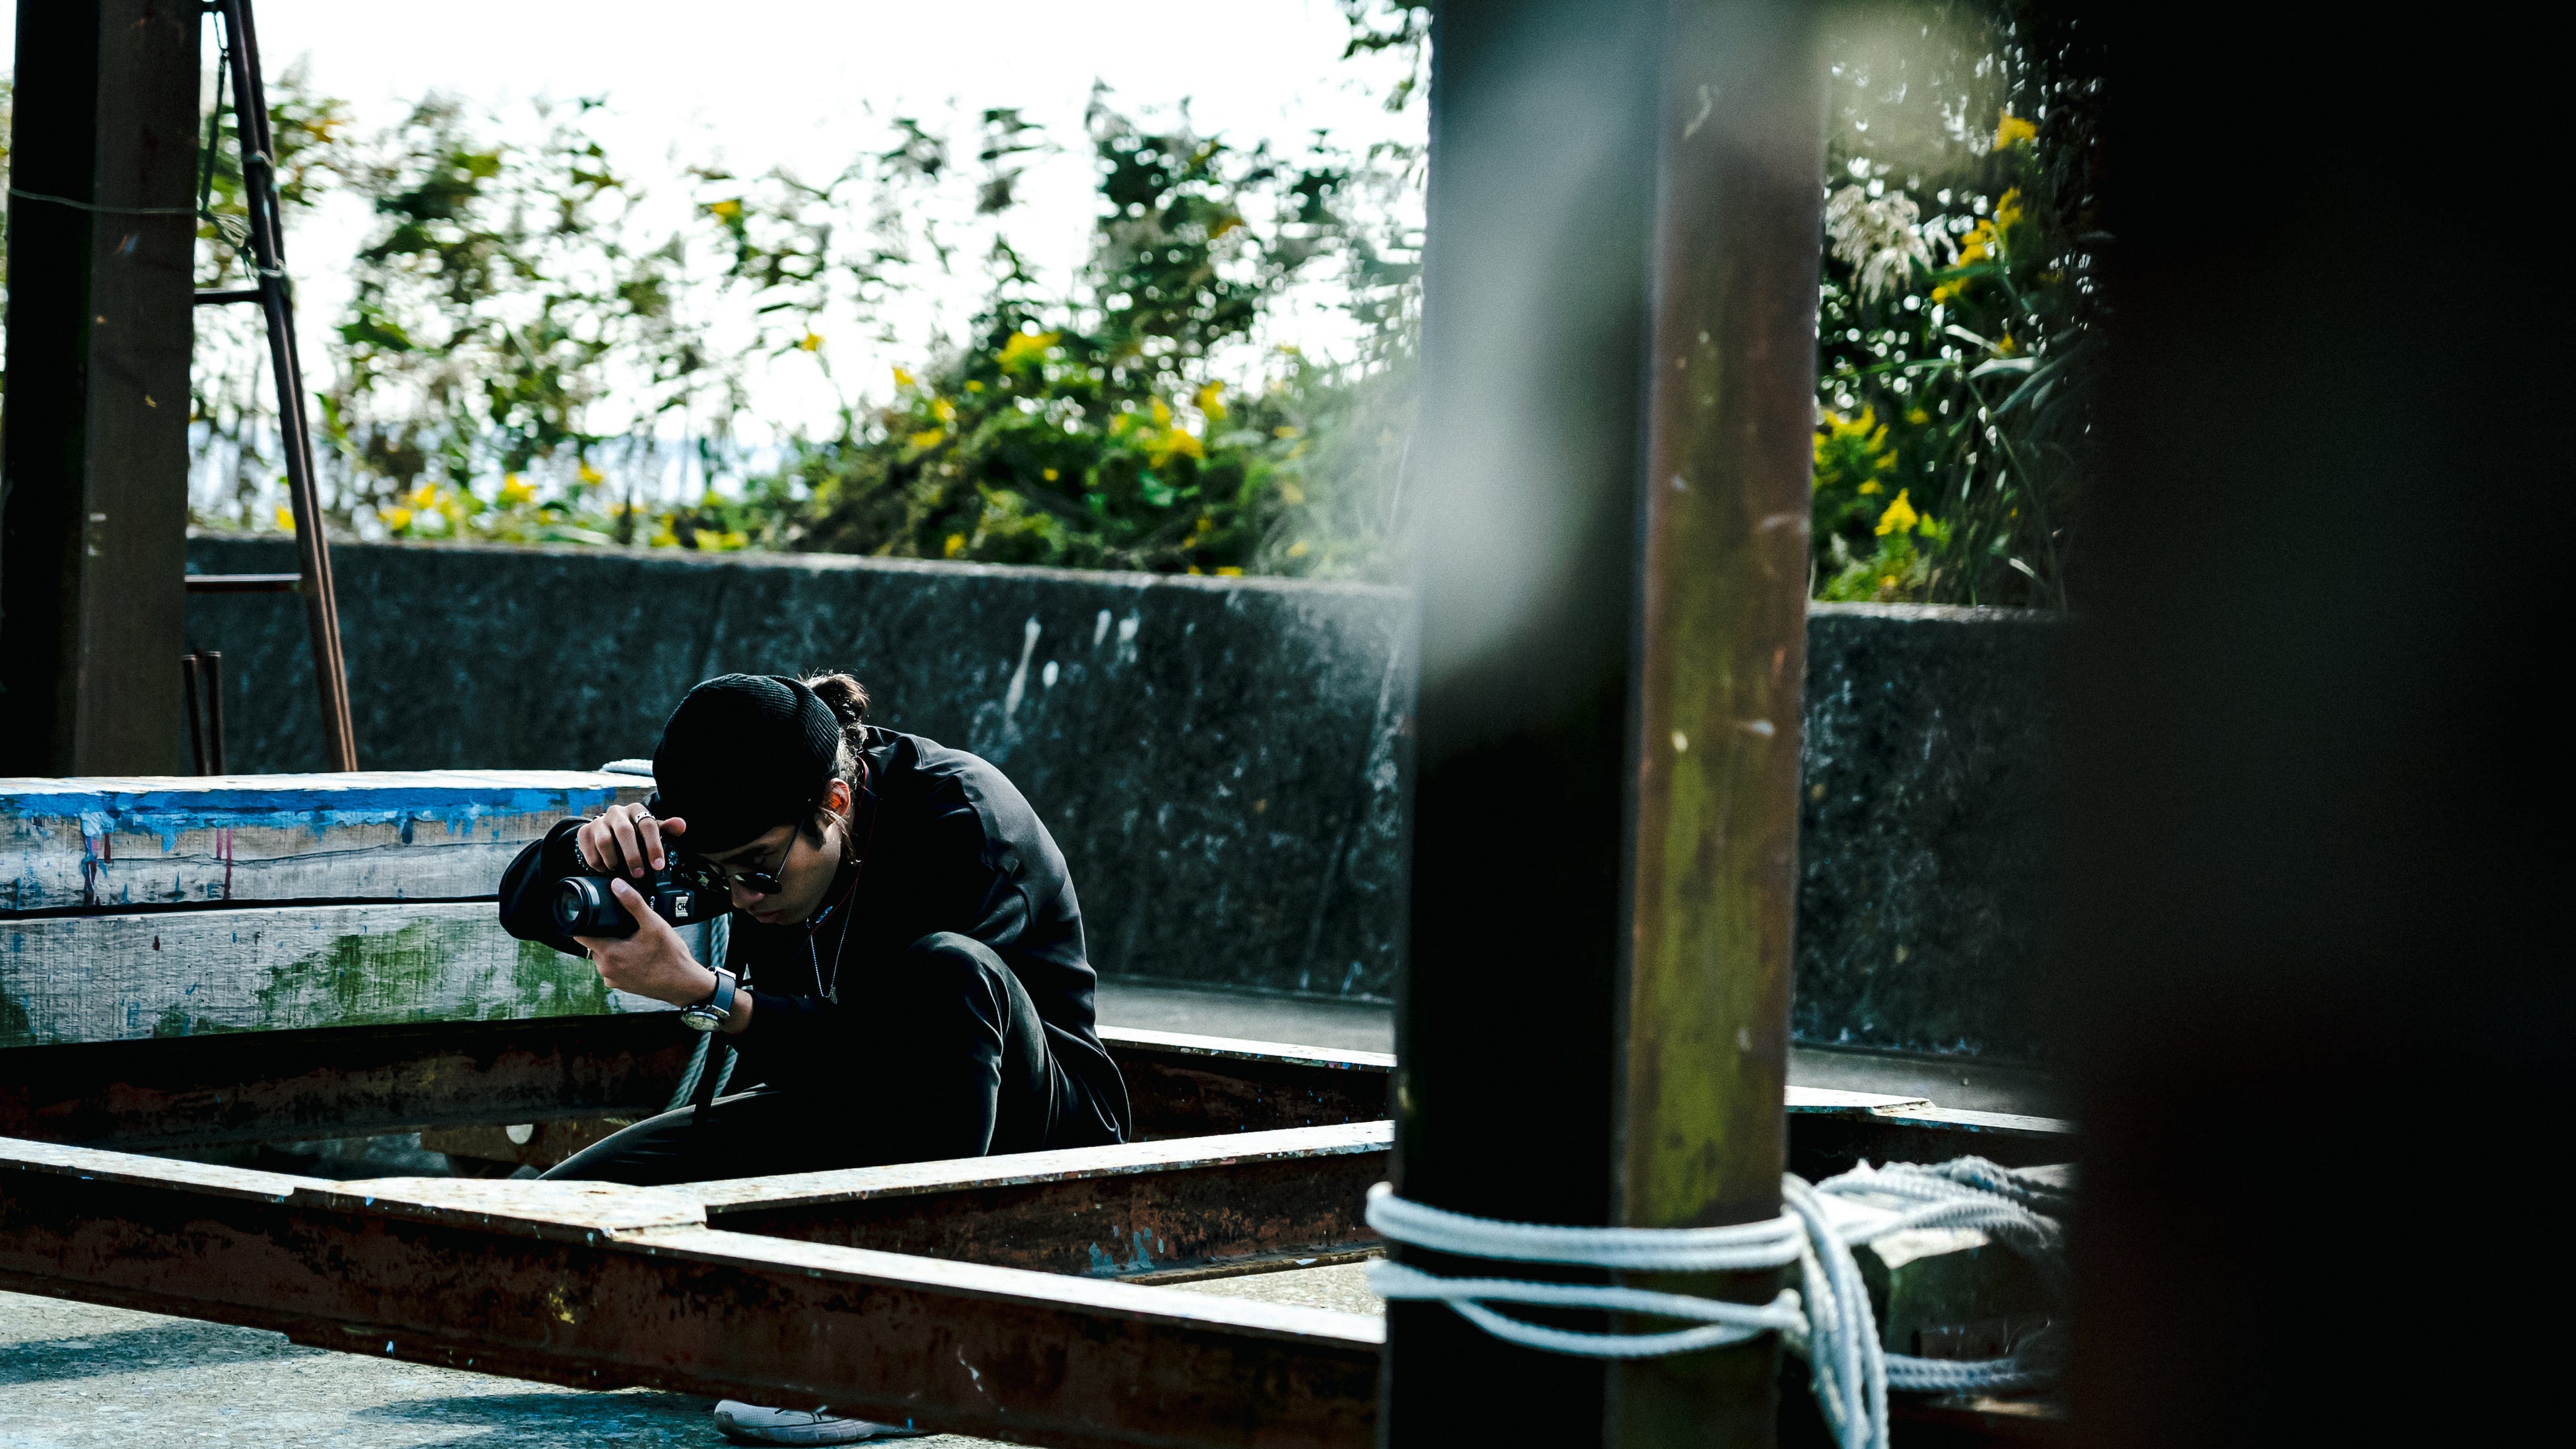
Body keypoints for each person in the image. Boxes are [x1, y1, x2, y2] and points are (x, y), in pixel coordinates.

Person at [498, 671, 1129, 1446]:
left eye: (759, 869)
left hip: (1029, 1135)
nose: (744, 898)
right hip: (840, 1106)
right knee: (523, 1245)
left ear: (834, 805)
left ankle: (892, 1363)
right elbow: (522, 903)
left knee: (947, 971)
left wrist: (711, 995)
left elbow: (903, 1051)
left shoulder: (960, 822)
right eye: (717, 877)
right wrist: (586, 850)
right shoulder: (733, 830)